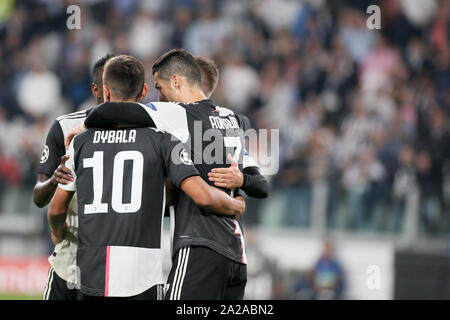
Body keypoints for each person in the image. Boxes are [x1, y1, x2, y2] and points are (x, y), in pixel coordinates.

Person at [67, 49, 268, 299]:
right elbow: (261, 187)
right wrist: (243, 181)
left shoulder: (176, 114)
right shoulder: (232, 121)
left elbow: (119, 109)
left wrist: (85, 125)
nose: (159, 97)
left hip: (198, 244)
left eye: (160, 88)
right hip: (236, 253)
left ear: (176, 81)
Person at [36, 53, 116, 300]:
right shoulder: (64, 127)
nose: (116, 93)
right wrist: (53, 180)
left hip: (116, 259)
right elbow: (39, 197)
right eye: (109, 87)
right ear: (96, 89)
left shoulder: (147, 129)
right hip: (70, 256)